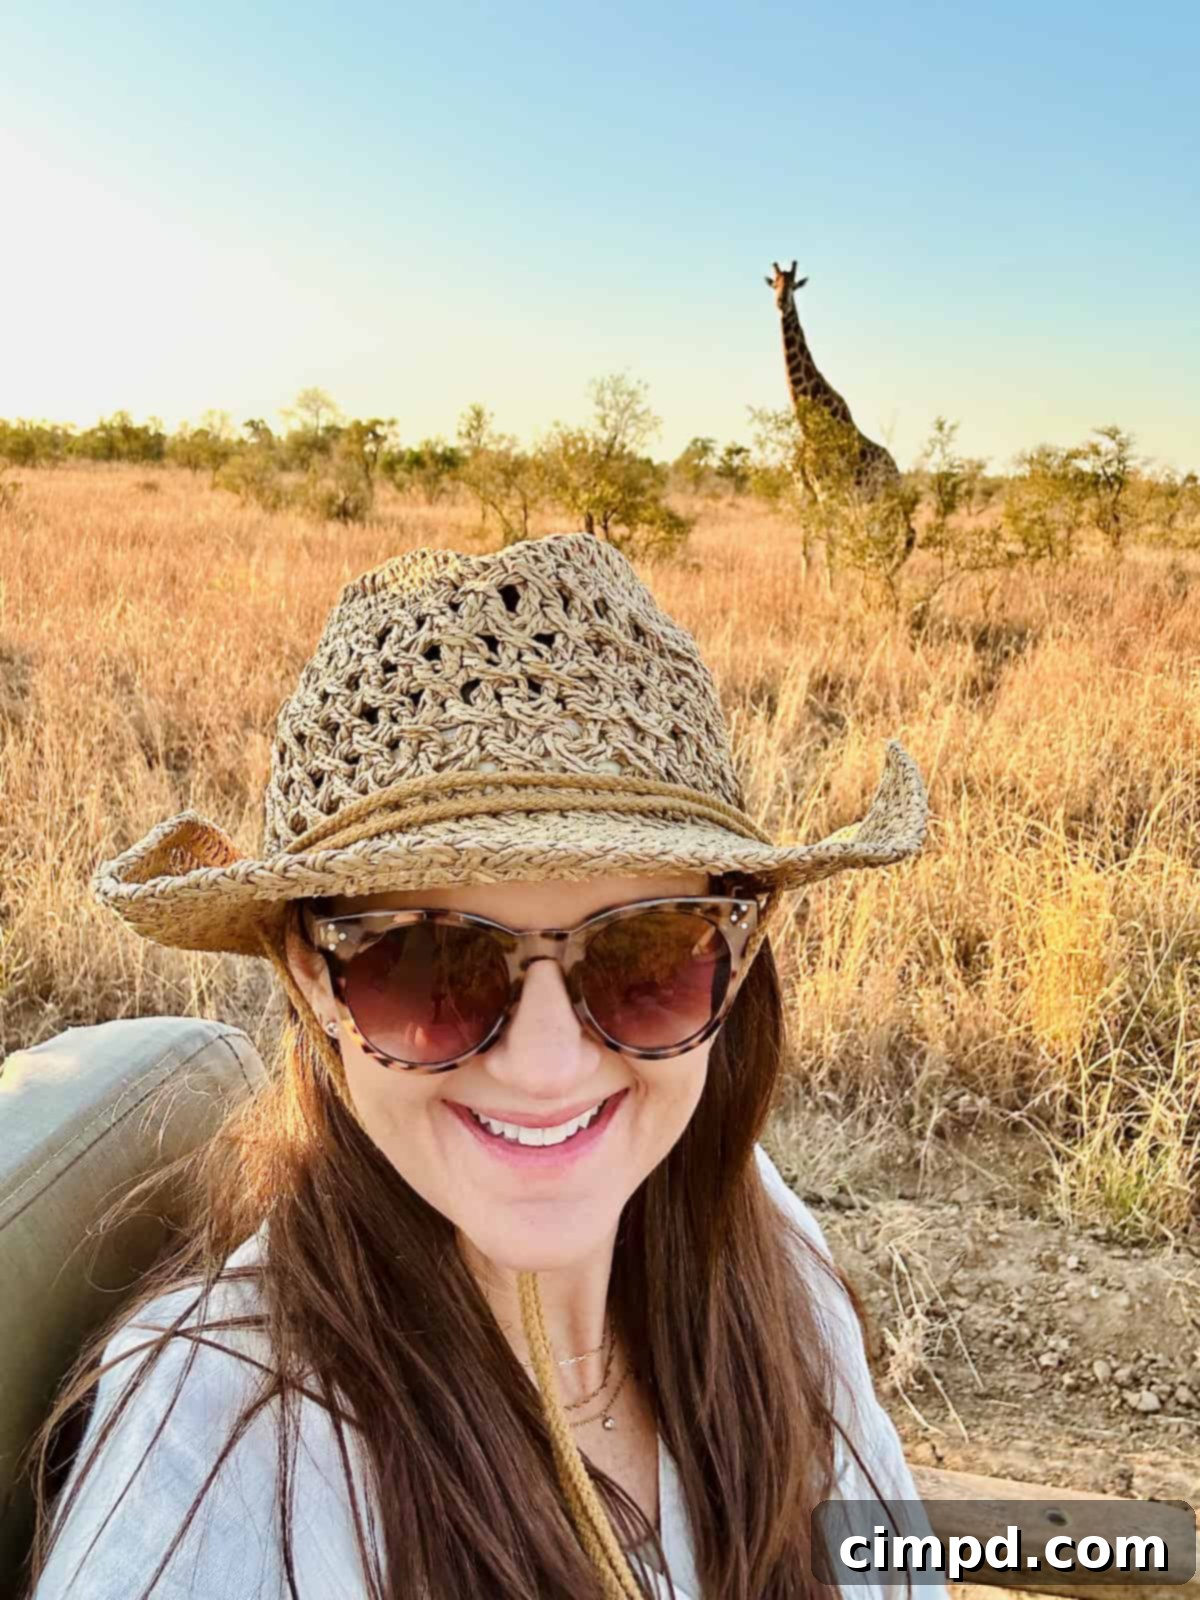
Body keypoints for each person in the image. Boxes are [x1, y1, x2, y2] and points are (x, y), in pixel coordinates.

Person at [22, 530, 938, 1600]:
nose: (548, 1066)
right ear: (309, 974)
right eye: (428, 959)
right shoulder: (219, 1451)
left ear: (734, 960)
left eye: (644, 950)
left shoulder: (764, 1239)